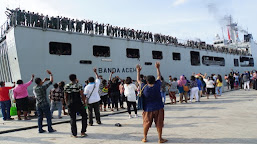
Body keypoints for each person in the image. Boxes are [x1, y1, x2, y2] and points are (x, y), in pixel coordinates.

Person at [136, 62, 167, 143]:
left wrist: (138, 71)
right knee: (159, 124)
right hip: (159, 107)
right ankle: (160, 139)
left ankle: (145, 138)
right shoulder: (157, 85)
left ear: (146, 81)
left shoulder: (144, 87)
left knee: (146, 123)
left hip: (147, 108)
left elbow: (138, 80)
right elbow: (159, 77)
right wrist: (157, 68)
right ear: (154, 80)